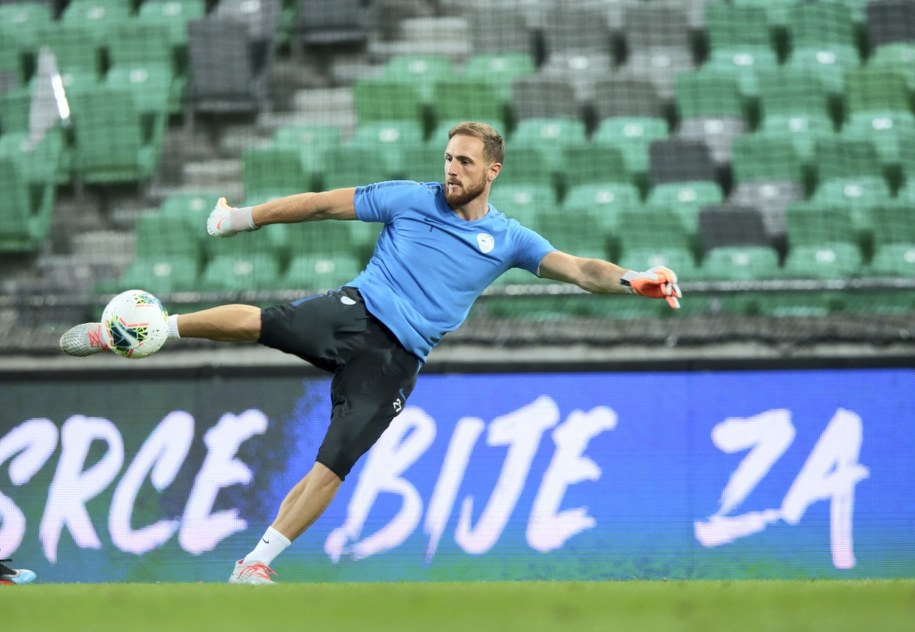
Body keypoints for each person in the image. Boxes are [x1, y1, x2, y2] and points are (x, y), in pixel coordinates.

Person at [59, 121, 682, 584]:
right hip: (357, 313)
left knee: (334, 463)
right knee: (261, 322)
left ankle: (254, 565)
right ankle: (150, 334)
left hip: (396, 361)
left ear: (493, 171)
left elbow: (578, 268)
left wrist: (632, 280)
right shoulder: (410, 198)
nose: (451, 171)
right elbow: (324, 204)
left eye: (464, 162)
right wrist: (242, 218)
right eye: (447, 159)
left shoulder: (509, 238)